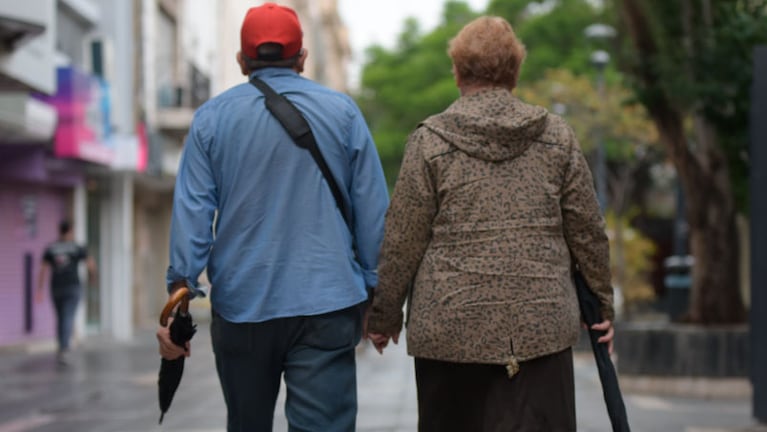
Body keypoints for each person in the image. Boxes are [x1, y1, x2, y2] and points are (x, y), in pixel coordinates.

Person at [366, 16, 615, 431]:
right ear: (515, 72)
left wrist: (384, 316)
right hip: (541, 331)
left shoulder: (430, 141)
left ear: (457, 72)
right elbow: (588, 231)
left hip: (450, 331)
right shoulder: (557, 137)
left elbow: (403, 238)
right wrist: (602, 305)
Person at [155, 3, 389, 431]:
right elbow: (373, 212)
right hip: (328, 302)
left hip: (243, 305)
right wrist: (379, 297)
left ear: (241, 61)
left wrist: (179, 293)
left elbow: (193, 213)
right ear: (302, 58)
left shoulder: (210, 120)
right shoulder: (344, 113)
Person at [37, 219, 96, 365]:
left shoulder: (51, 248)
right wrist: (93, 279)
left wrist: (39, 289)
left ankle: (61, 347)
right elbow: (91, 264)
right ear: (70, 230)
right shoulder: (77, 247)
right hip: (72, 287)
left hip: (56, 287)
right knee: (68, 317)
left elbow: (43, 269)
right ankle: (64, 348)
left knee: (61, 317)